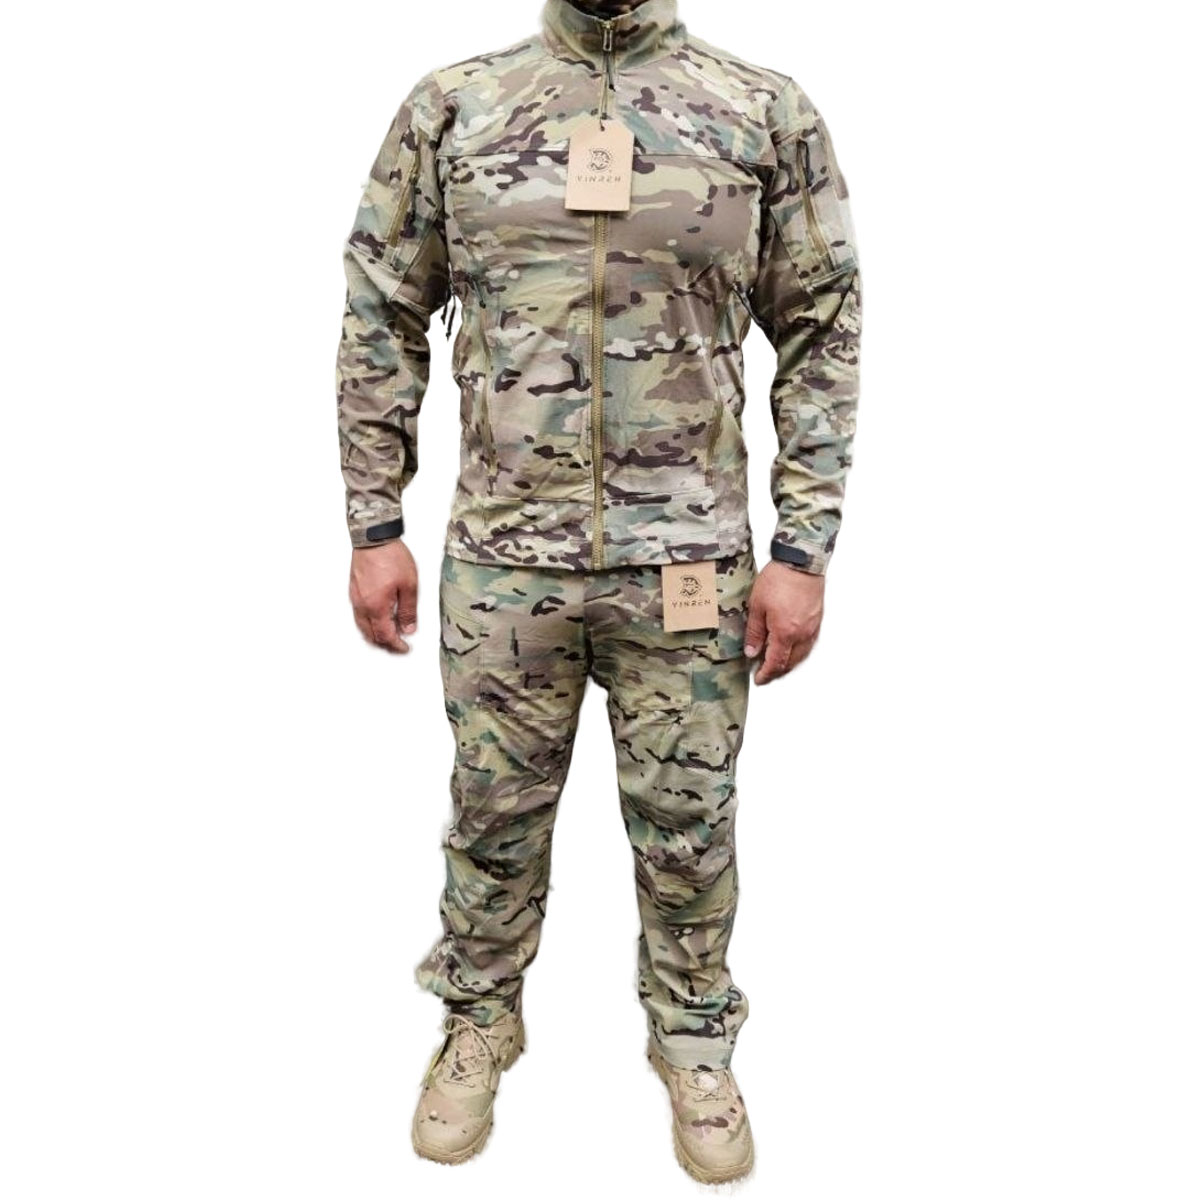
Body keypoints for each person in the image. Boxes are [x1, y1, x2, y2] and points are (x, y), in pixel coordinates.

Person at [334, 0, 860, 1183]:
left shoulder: (759, 112)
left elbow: (823, 324)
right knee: (492, 815)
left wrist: (803, 548)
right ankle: (478, 1020)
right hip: (504, 559)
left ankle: (695, 1040)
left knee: (690, 826)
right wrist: (375, 521)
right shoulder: (456, 107)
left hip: (689, 563)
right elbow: (381, 309)